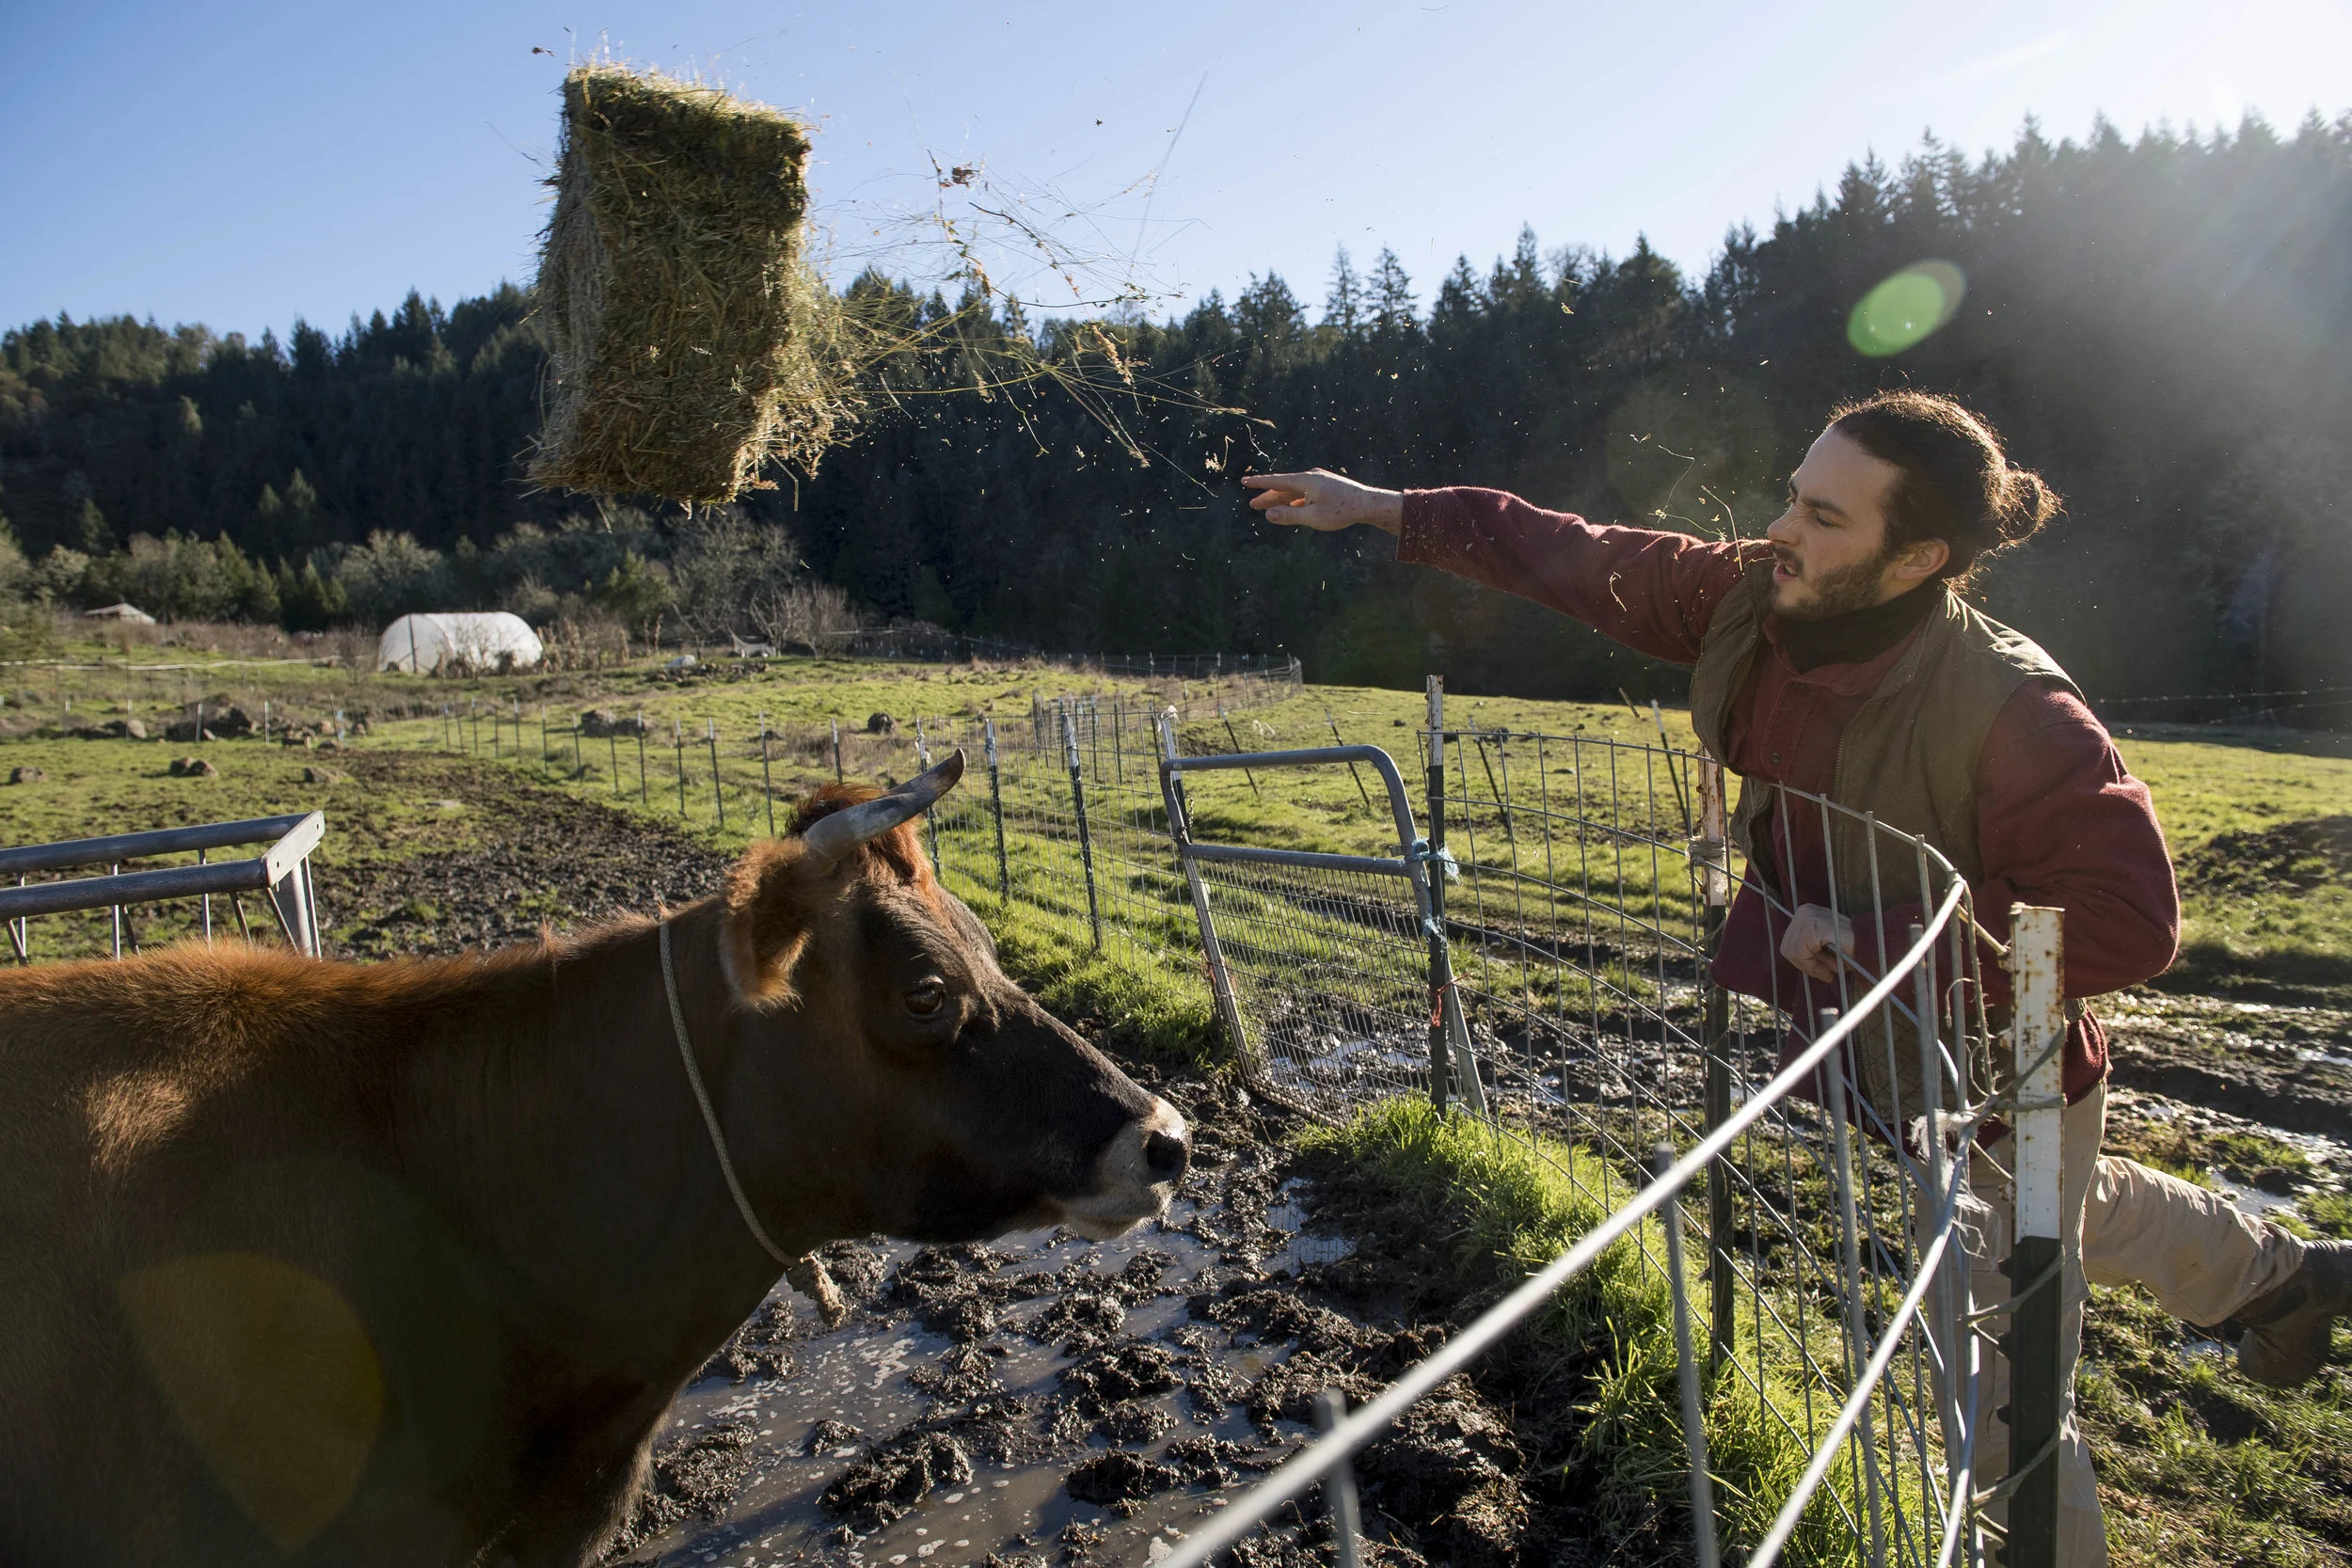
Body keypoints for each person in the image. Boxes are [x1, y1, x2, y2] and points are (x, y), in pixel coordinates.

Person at [1244, 390, 2348, 1564]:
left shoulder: (2015, 706)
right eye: (1791, 492)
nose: (1781, 525)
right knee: (2044, 1207)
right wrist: (1387, 510)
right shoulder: (1749, 597)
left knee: (2005, 1393)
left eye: (1823, 514)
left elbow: (2133, 922)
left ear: (1917, 555)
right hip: (1878, 1048)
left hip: (2000, 1067)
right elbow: (1574, 553)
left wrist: (1871, 939)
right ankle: (2277, 1277)